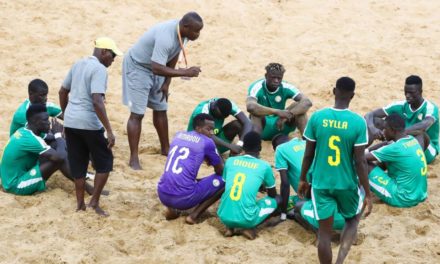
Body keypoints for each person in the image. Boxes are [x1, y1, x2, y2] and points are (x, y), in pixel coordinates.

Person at [298, 77, 372, 264]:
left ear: (334, 91)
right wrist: (368, 192)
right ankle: (340, 261)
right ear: (352, 96)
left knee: (324, 234)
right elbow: (360, 161)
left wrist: (302, 179)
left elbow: (308, 155)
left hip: (321, 183)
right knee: (353, 220)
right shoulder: (358, 122)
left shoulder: (317, 117)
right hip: (346, 183)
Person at [123, 12, 204, 170]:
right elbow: (156, 67)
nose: (198, 35)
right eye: (196, 31)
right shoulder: (165, 36)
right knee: (137, 114)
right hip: (139, 66)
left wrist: (167, 83)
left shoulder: (184, 33)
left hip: (158, 68)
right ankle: (133, 157)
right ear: (185, 27)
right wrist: (185, 72)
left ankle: (165, 148)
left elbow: (173, 55)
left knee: (161, 109)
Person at [59, 37, 121, 216]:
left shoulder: (78, 64)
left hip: (71, 121)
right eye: (112, 55)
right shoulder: (99, 69)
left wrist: (66, 114)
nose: (113, 59)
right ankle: (94, 202)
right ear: (103, 52)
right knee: (105, 162)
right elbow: (97, 100)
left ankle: (80, 204)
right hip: (88, 123)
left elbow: (63, 91)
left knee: (78, 162)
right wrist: (108, 130)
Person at [157, 113, 225, 224]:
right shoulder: (207, 142)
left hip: (162, 194)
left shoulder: (179, 135)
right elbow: (221, 170)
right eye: (209, 129)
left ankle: (171, 209)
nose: (211, 133)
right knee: (226, 179)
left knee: (185, 178)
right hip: (184, 198)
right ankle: (194, 216)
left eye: (213, 130)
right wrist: (212, 155)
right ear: (198, 128)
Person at [272, 134, 347, 232]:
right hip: (339, 200)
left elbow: (285, 183)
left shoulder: (280, 149)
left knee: (293, 207)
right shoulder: (306, 143)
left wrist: (283, 214)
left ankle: (319, 232)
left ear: (275, 148)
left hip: (315, 195)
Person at [217, 131, 279, 240]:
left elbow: (229, 185)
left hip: (223, 216)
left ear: (244, 147)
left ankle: (230, 228)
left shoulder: (230, 161)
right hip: (246, 218)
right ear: (260, 147)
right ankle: (249, 227)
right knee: (276, 200)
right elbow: (272, 194)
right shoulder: (264, 166)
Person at [365, 75, 439, 163]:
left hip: (427, 149)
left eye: (411, 93)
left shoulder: (430, 108)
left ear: (420, 91)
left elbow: (424, 126)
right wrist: (373, 128)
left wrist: (398, 134)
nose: (407, 95)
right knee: (375, 122)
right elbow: (369, 114)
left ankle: (412, 161)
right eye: (406, 92)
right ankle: (361, 150)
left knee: (419, 134)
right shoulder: (401, 105)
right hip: (402, 140)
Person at [1, 104, 69, 195]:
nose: (48, 123)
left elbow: (53, 141)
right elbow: (60, 157)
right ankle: (85, 185)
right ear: (35, 122)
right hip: (15, 185)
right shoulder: (32, 139)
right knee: (58, 159)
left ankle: (81, 177)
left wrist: (59, 138)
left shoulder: (24, 130)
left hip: (8, 178)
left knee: (55, 146)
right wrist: (58, 135)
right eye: (45, 120)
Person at [366, 113, 428, 207]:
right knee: (386, 159)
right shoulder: (411, 139)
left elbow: (360, 158)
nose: (383, 132)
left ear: (392, 130)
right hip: (420, 194)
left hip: (402, 198)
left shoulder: (395, 148)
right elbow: (387, 145)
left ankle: (356, 190)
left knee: (362, 165)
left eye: (385, 129)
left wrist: (363, 148)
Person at [246, 62, 312, 141]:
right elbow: (250, 107)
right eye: (273, 77)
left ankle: (308, 143)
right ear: (266, 76)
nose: (276, 81)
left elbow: (307, 102)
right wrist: (277, 112)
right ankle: (255, 147)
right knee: (255, 114)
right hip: (263, 128)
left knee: (299, 107)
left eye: (279, 78)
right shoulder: (257, 86)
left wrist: (287, 115)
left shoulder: (286, 86)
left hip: (281, 125)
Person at [187, 97, 253, 154]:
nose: (221, 119)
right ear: (213, 108)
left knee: (238, 125)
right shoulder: (202, 111)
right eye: (219, 117)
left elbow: (248, 122)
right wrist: (230, 146)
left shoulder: (228, 105)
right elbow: (208, 135)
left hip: (217, 139)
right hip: (199, 144)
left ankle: (236, 153)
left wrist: (240, 143)